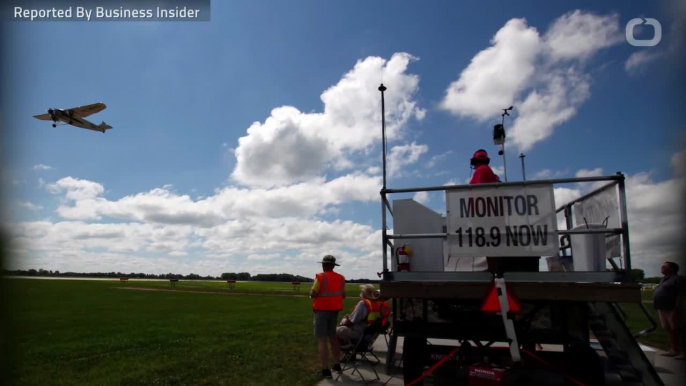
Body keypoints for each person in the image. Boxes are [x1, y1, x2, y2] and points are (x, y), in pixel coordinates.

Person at [310, 255, 346, 378]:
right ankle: (337, 364)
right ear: (333, 265)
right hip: (335, 310)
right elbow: (343, 295)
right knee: (333, 337)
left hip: (321, 311)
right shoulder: (341, 278)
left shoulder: (320, 277)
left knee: (321, 339)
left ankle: (325, 369)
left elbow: (313, 293)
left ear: (324, 265)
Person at [653, 261, 685, 358]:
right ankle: (673, 350)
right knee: (668, 329)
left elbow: (681, 293)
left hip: (672, 308)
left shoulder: (677, 279)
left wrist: (678, 306)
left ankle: (684, 352)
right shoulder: (663, 279)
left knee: (678, 329)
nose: (662, 267)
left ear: (672, 269)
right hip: (662, 307)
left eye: (665, 266)